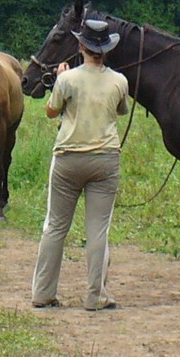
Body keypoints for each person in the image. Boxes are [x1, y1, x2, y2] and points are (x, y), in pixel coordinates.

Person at [31, 19, 129, 311]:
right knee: (98, 229)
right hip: (105, 159)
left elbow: (51, 112)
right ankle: (95, 295)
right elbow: (121, 110)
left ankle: (43, 292)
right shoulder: (119, 81)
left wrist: (60, 79)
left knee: (55, 227)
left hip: (68, 157)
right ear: (106, 49)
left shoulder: (68, 79)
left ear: (81, 46)